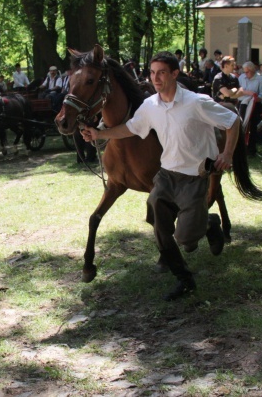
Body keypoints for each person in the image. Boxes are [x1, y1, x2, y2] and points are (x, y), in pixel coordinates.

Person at [81, 51, 239, 301]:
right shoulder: (150, 106)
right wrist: (99, 135)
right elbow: (130, 129)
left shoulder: (196, 102)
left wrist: (228, 153)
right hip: (165, 176)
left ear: (175, 74)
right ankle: (184, 280)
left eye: (162, 72)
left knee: (185, 238)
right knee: (160, 230)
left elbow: (232, 120)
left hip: (194, 176)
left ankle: (210, 223)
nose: (155, 78)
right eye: (152, 73)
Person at [237, 61, 262, 156]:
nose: (245, 74)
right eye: (244, 72)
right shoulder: (242, 77)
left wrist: (256, 98)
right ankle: (241, 148)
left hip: (254, 105)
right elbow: (238, 90)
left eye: (247, 72)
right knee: (241, 126)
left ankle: (251, 150)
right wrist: (247, 92)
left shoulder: (260, 79)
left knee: (253, 128)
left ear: (253, 70)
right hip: (242, 104)